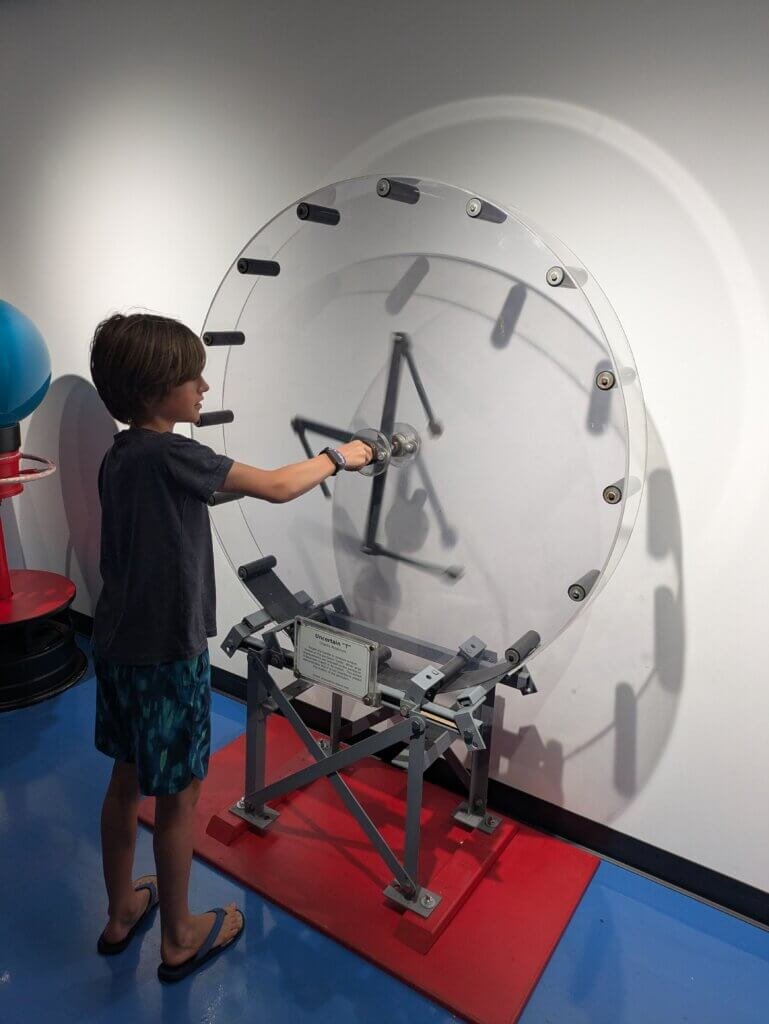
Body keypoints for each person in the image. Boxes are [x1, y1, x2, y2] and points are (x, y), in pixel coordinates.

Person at [89, 311, 371, 982]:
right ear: (156, 390)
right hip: (167, 653)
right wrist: (342, 456)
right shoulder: (175, 454)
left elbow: (171, 509)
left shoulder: (122, 455)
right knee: (181, 795)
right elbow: (276, 486)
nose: (204, 387)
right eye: (192, 377)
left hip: (117, 645)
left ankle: (121, 911)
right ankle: (180, 937)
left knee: (125, 778)